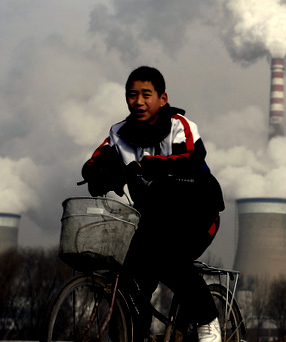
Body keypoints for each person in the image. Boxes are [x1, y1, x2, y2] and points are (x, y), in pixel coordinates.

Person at [81, 66, 225, 342]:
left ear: (162, 98)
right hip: (153, 220)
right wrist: (96, 174)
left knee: (171, 259)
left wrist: (143, 166)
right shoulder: (119, 133)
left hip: (197, 214)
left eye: (146, 94)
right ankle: (134, 332)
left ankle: (208, 321)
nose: (138, 101)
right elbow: (94, 161)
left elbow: (192, 159)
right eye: (132, 95)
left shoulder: (180, 126)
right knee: (130, 279)